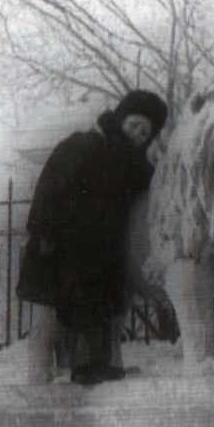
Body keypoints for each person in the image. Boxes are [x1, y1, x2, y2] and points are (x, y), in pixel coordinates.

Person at [18, 90, 168, 386]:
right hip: (58, 247)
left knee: (96, 316)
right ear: (121, 117)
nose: (138, 133)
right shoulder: (83, 144)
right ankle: (36, 377)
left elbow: (158, 186)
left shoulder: (133, 167)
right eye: (135, 124)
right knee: (47, 316)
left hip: (96, 257)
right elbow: (49, 186)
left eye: (145, 132)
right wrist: (44, 231)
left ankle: (92, 370)